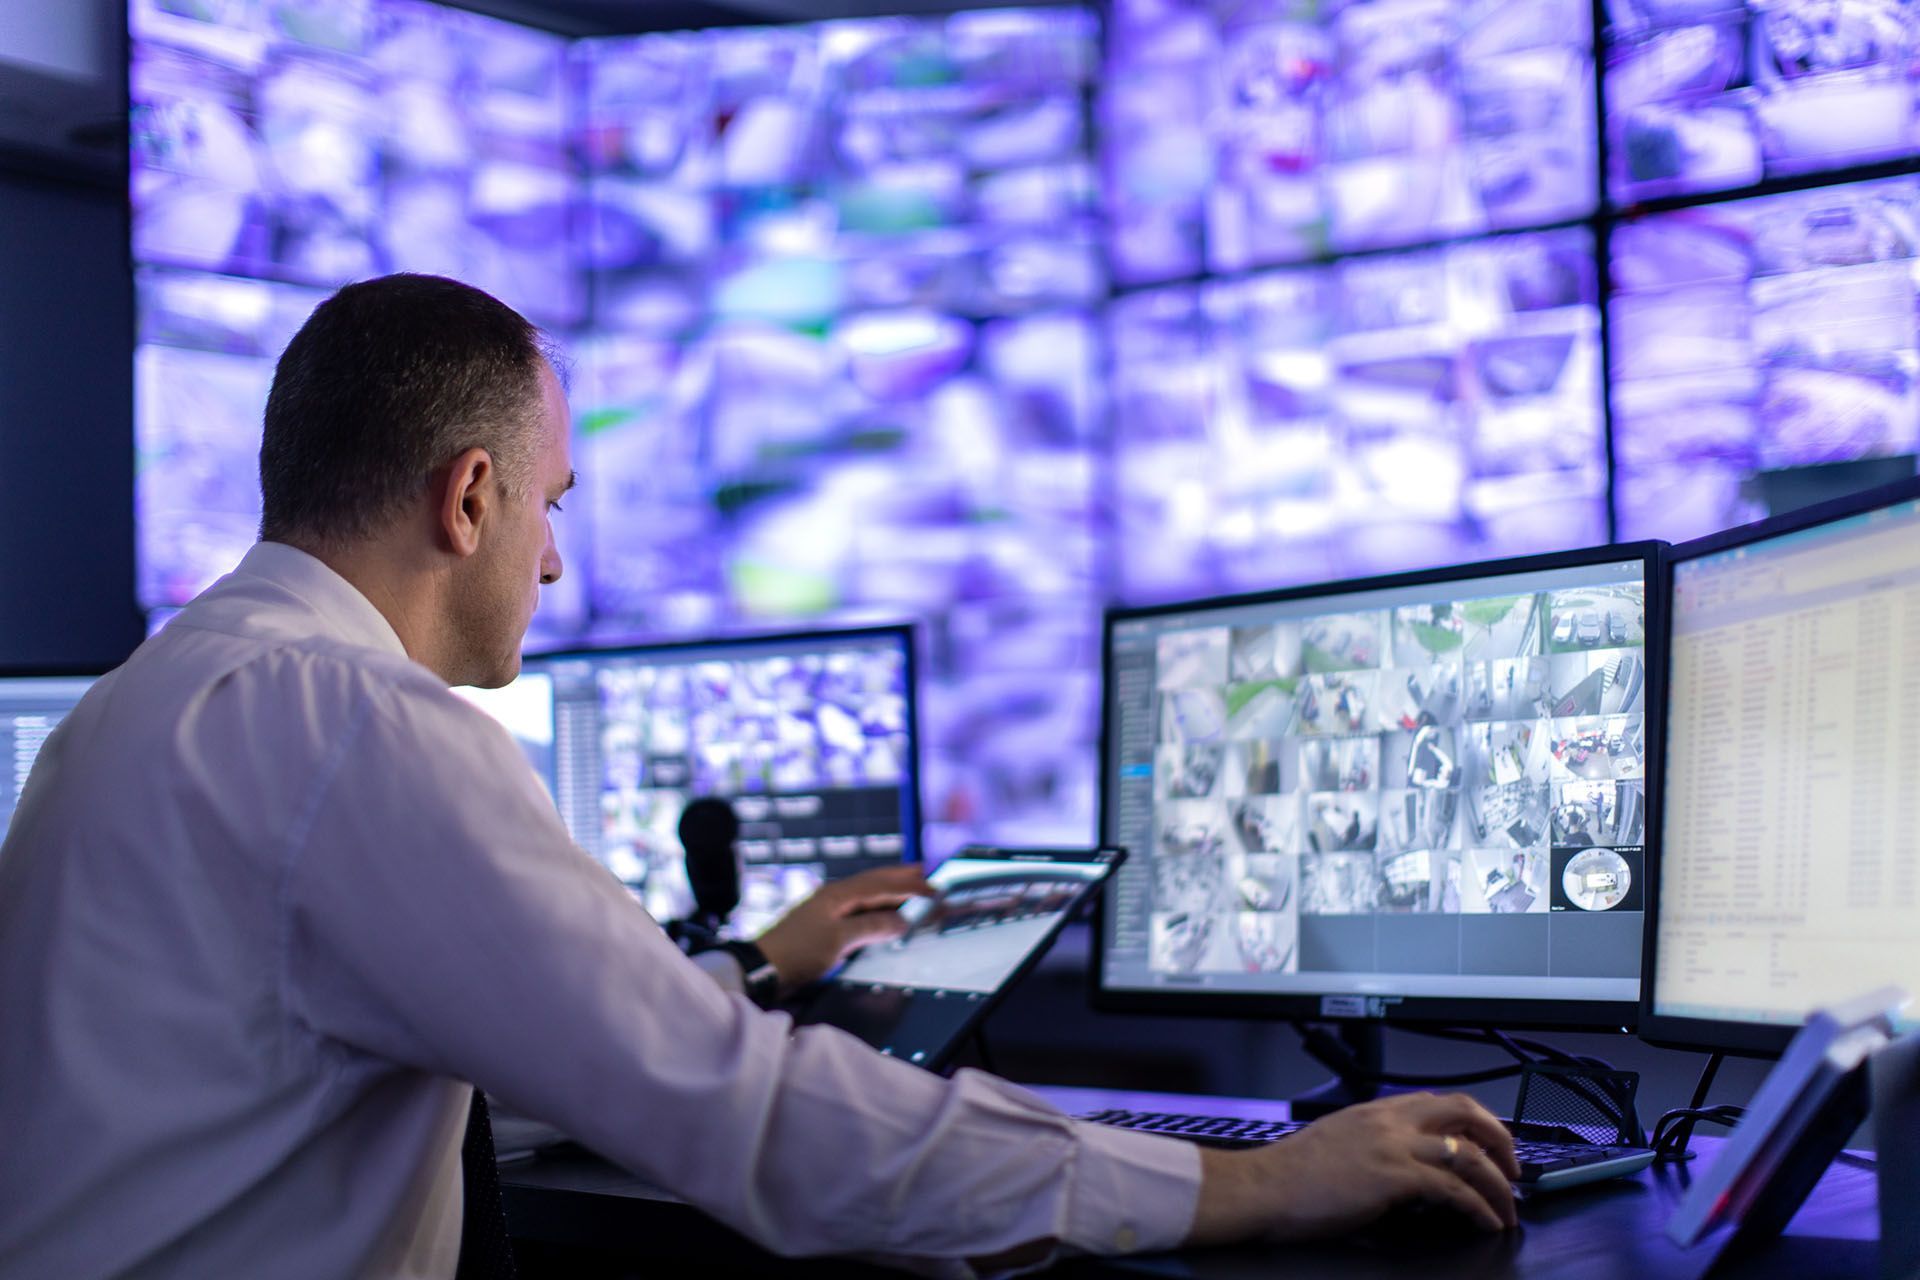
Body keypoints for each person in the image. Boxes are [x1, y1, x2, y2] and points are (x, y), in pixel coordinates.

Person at [0, 275, 1517, 1279]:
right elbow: (751, 1121)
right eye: (550, 506)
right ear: (470, 496)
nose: (555, 559)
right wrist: (1246, 1186)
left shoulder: (154, 704)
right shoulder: (352, 725)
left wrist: (731, 974)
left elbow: (409, 1074)